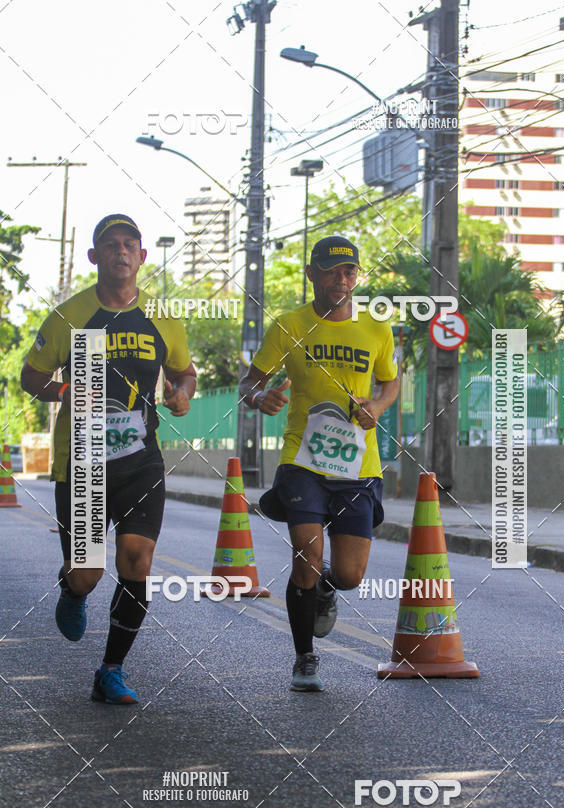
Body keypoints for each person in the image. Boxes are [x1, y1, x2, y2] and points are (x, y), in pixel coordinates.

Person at [21, 214, 196, 704]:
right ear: (95, 257)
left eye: (130, 244)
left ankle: (111, 669)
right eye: (110, 245)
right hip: (82, 461)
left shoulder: (163, 317)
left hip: (141, 459)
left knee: (136, 561)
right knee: (87, 574)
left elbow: (185, 373)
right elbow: (29, 377)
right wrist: (62, 388)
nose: (121, 251)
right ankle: (72, 590)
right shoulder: (69, 316)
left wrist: (181, 394)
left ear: (142, 257)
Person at [239, 235, 399, 691]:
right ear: (311, 274)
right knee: (306, 557)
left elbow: (390, 382)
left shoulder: (376, 330)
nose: (340, 279)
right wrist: (258, 397)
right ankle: (305, 657)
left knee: (348, 575)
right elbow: (250, 382)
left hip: (358, 466)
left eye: (349, 271)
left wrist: (379, 407)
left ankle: (328, 589)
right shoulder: (289, 325)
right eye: (330, 270)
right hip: (302, 459)